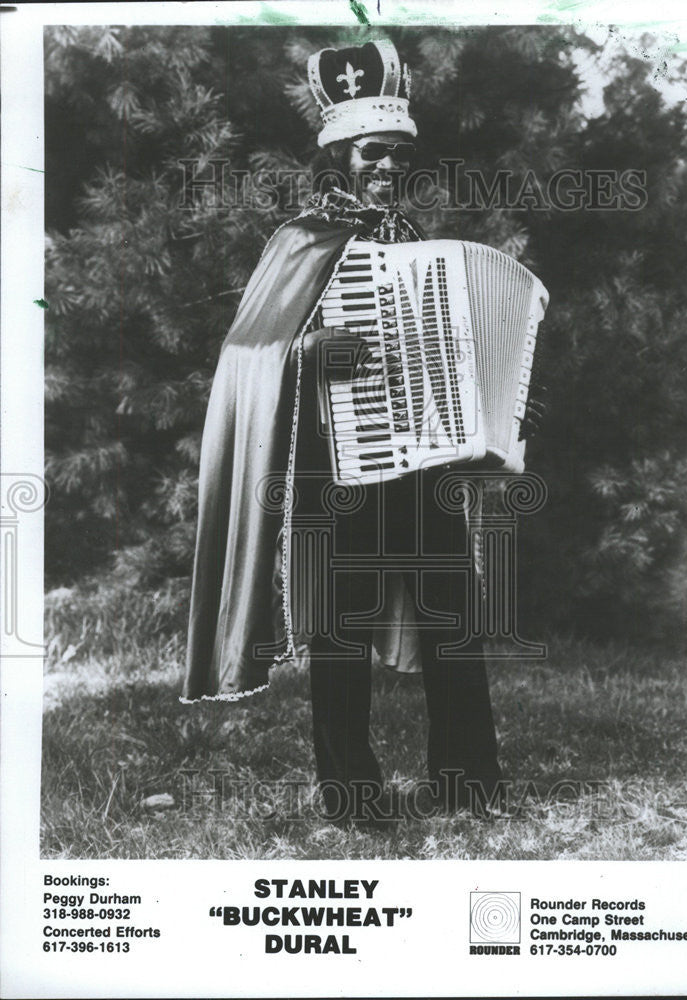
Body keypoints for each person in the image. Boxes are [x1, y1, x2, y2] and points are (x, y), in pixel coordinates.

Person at [183, 39, 513, 825]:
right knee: (340, 634)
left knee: (453, 619)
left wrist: (485, 407)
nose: (388, 168)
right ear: (338, 155)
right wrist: (308, 352)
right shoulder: (299, 242)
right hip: (336, 466)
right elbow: (244, 357)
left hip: (424, 462)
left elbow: (452, 350)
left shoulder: (418, 244)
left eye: (399, 154)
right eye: (373, 152)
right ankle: (351, 792)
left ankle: (467, 779)